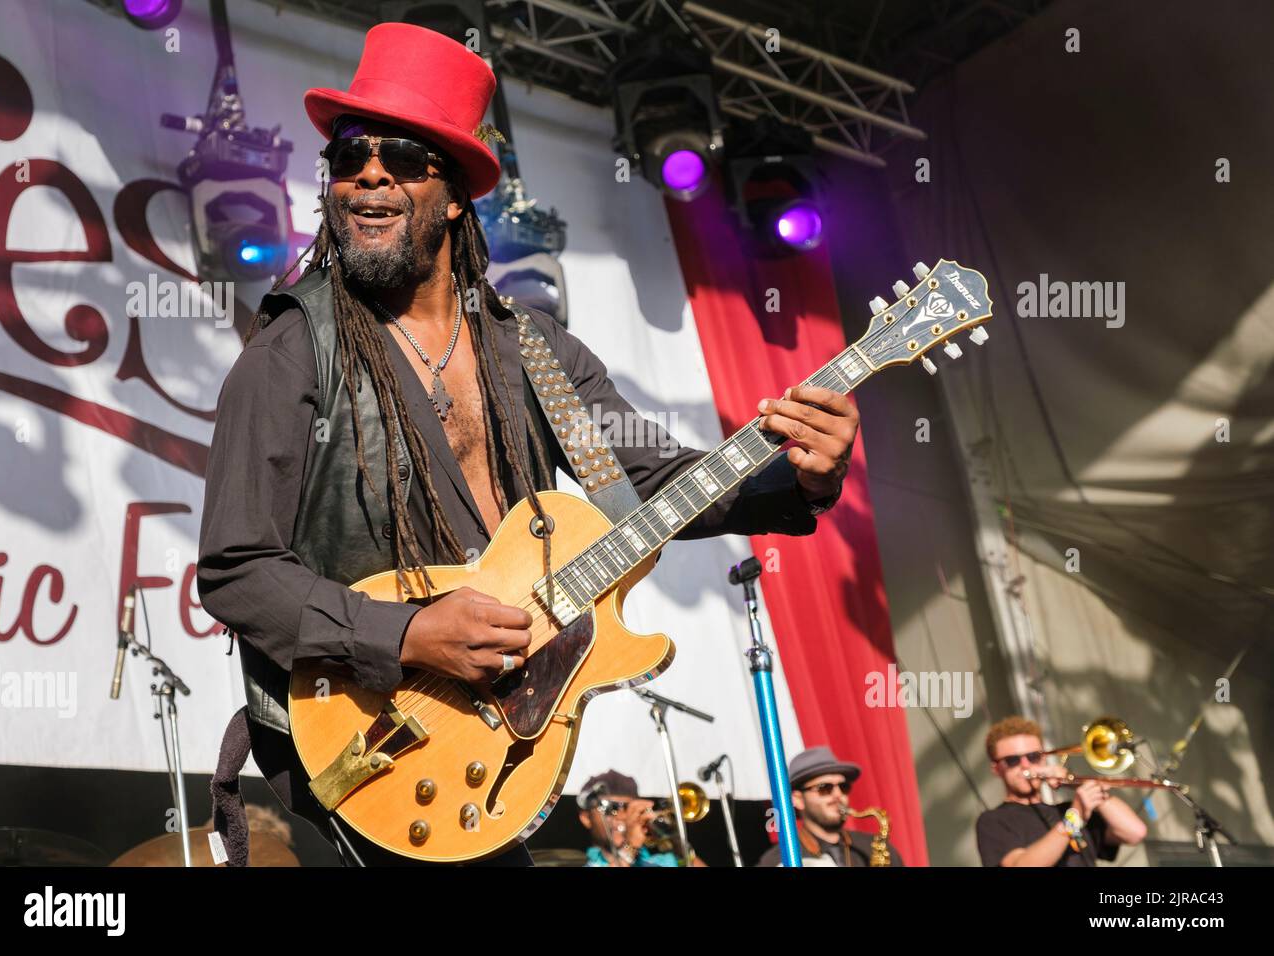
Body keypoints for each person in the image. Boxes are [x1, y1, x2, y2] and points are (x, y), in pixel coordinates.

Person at [197, 23, 859, 866]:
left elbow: (643, 483)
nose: (367, 172)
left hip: (487, 765)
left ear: (457, 190)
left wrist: (796, 478)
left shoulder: (532, 350)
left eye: (400, 155)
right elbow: (235, 569)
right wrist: (405, 634)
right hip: (358, 765)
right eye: (348, 156)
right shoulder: (293, 350)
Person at [975, 716, 1148, 867]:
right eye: (1013, 760)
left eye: (1033, 756)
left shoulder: (1067, 810)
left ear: (1043, 759)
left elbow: (1134, 832)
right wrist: (1074, 819)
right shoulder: (993, 821)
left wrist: (1076, 783)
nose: (1025, 765)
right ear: (997, 769)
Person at [756, 746, 903, 866]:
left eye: (843, 786)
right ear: (797, 799)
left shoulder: (874, 847)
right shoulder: (778, 861)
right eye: (824, 788)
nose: (838, 794)